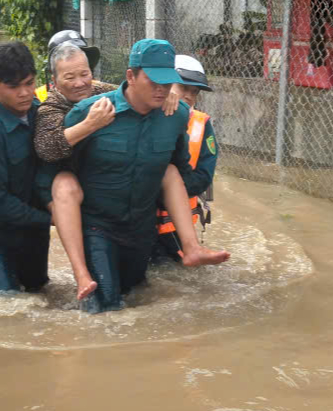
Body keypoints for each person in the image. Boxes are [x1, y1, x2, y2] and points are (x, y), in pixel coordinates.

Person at [62, 39, 229, 313]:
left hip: (142, 231)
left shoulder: (177, 116)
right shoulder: (90, 113)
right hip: (98, 228)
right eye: (154, 82)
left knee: (135, 302)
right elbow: (59, 167)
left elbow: (178, 169)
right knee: (105, 311)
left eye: (167, 82)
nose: (162, 89)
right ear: (131, 76)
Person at [0, 42, 51, 295]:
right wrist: (53, 219)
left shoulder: (44, 114)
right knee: (5, 303)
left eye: (29, 83)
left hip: (33, 230)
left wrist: (173, 92)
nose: (25, 93)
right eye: (14, 87)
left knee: (39, 293)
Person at [154, 55, 218, 262]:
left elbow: (204, 177)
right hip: (138, 224)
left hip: (175, 228)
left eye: (195, 92)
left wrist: (170, 192)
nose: (189, 96)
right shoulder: (142, 114)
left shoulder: (202, 124)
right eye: (183, 88)